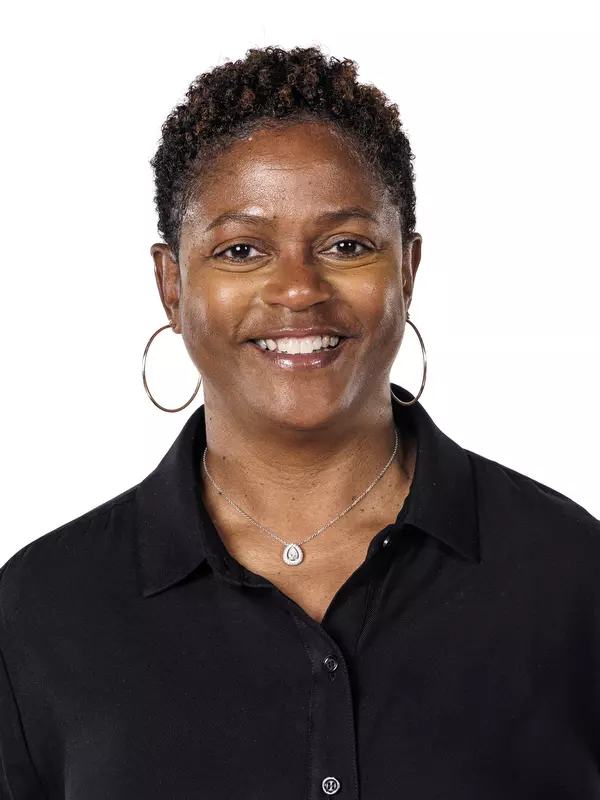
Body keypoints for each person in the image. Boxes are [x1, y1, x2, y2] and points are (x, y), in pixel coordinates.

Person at [1, 44, 599, 800]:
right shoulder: (42, 610)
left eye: (346, 245)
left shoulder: (571, 576)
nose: (297, 291)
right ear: (172, 285)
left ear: (408, 270)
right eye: (242, 249)